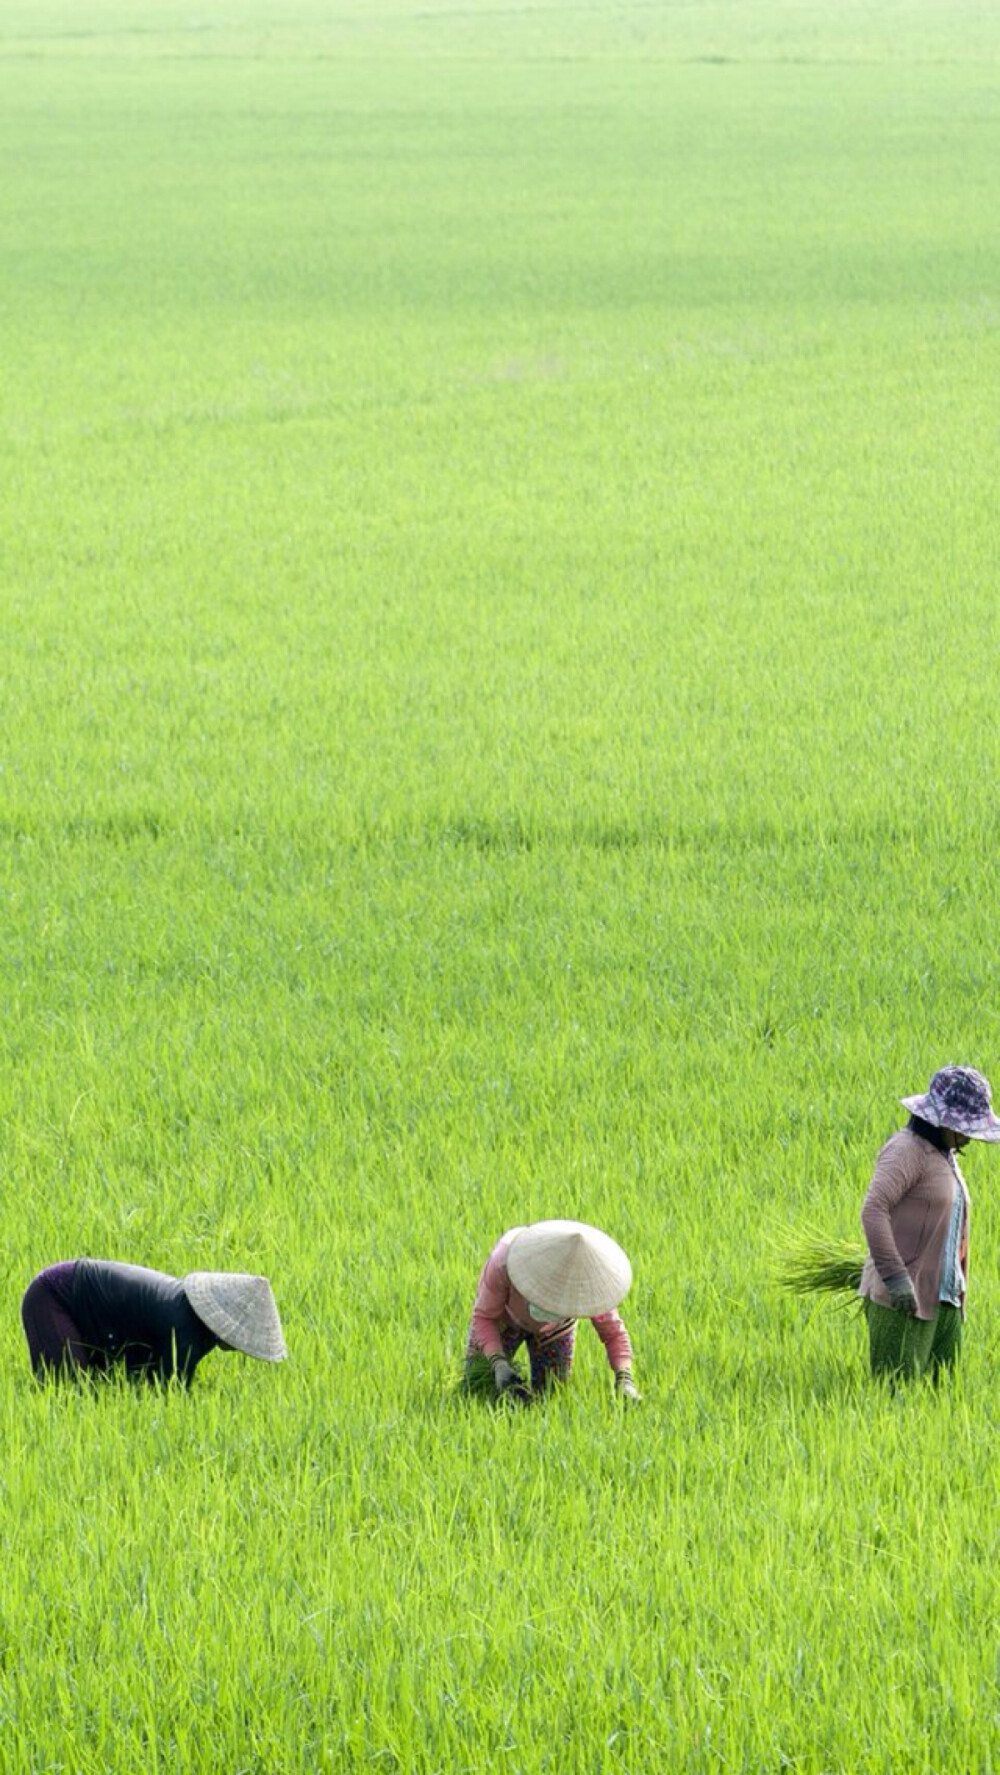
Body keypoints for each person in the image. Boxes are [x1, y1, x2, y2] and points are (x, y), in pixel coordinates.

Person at [858, 1065, 1000, 1382]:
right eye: (964, 1127)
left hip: (945, 1298)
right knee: (897, 1398)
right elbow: (873, 1210)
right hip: (904, 1302)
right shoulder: (906, 1150)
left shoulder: (944, 1154)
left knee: (940, 1399)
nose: (969, 1136)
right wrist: (895, 1278)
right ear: (941, 1121)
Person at [21, 1258, 287, 1384]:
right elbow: (167, 1394)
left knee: (98, 1387)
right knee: (67, 1394)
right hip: (53, 1296)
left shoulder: (191, 1317)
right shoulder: (186, 1330)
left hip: (77, 1299)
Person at [461, 1218, 640, 1405]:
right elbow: (484, 1317)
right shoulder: (505, 1262)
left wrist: (625, 1378)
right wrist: (498, 1362)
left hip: (555, 1330)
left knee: (549, 1397)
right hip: (503, 1320)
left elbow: (613, 1332)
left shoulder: (590, 1284)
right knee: (479, 1391)